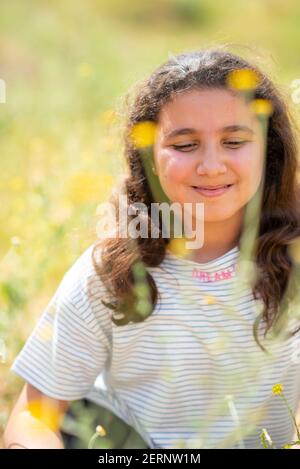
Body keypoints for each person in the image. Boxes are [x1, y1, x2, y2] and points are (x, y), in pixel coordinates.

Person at [4, 46, 300, 449]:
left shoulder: (294, 259)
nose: (211, 165)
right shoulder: (110, 271)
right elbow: (31, 419)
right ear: (149, 158)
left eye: (234, 141)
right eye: (185, 145)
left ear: (270, 150)